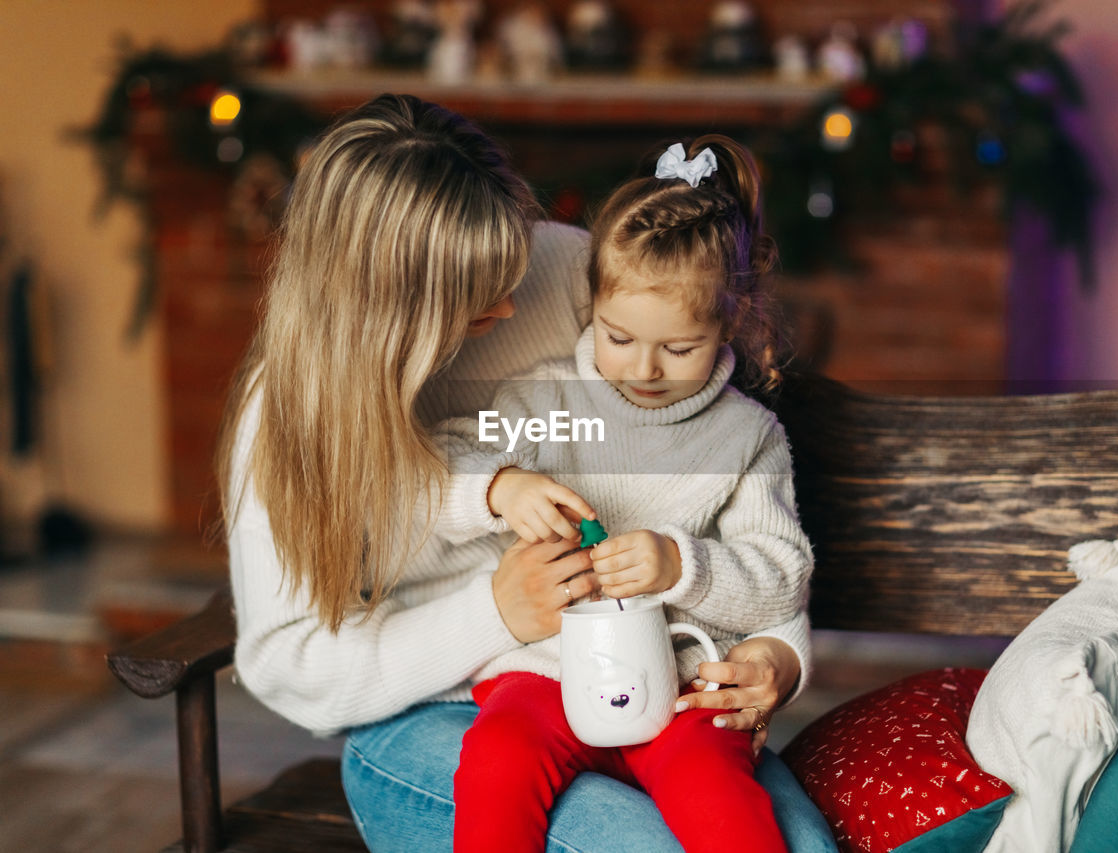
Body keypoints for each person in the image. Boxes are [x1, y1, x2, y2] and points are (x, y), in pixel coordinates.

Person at [214, 94, 836, 852]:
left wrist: (778, 659)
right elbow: (289, 664)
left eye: (515, 259)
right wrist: (495, 612)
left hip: (642, 677)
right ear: (393, 307)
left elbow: (737, 510)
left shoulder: (576, 274)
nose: (514, 302)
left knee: (799, 843)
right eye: (477, 293)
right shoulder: (284, 418)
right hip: (450, 710)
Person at [436, 134, 812, 853]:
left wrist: (683, 564)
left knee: (725, 801)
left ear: (728, 321)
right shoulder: (546, 398)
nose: (644, 368)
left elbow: (781, 576)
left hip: (678, 690)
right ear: (595, 305)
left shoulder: (746, 437)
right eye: (618, 336)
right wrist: (500, 486)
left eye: (678, 348)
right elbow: (435, 457)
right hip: (546, 673)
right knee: (496, 762)